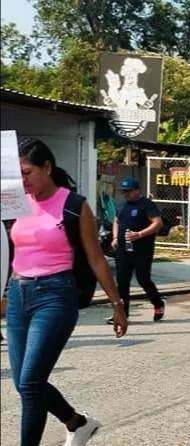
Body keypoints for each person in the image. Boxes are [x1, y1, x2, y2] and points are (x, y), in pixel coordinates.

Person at [7, 138, 128, 446]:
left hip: (55, 295)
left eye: (27, 172)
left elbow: (96, 258)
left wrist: (117, 304)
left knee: (31, 382)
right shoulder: (14, 203)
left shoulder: (74, 206)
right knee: (25, 384)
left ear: (47, 167)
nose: (23, 180)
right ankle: (78, 423)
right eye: (16, 174)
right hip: (17, 294)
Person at [106, 177, 165, 324]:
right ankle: (122, 314)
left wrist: (139, 234)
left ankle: (158, 303)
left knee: (143, 279)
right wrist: (114, 237)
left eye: (129, 191)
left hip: (142, 250)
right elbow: (116, 220)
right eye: (124, 192)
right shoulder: (123, 206)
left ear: (138, 190)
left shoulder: (146, 205)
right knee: (122, 282)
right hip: (124, 250)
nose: (126, 194)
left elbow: (157, 223)